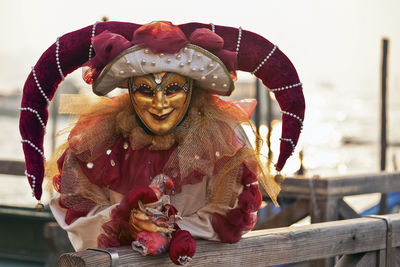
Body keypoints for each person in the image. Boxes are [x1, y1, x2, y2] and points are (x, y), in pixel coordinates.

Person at [19, 21, 305, 265]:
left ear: (191, 89)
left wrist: (171, 227)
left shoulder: (221, 143)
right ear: (130, 91)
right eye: (145, 89)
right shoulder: (100, 143)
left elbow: (229, 218)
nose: (159, 103)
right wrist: (125, 222)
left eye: (173, 89)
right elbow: (78, 215)